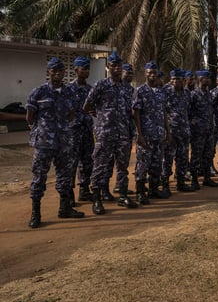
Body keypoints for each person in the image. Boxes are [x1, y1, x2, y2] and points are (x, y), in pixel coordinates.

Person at [26, 57, 85, 228]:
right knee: (39, 177)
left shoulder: (69, 92)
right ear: (49, 72)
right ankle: (36, 213)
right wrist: (39, 129)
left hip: (64, 142)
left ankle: (64, 208)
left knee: (65, 176)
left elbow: (72, 113)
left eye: (60, 71)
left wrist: (62, 128)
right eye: (54, 71)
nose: (58, 73)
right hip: (44, 143)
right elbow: (30, 116)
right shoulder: (39, 92)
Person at [83, 51, 137, 214]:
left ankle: (122, 195)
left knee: (122, 166)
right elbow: (87, 106)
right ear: (108, 67)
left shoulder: (128, 88)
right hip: (105, 134)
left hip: (123, 134)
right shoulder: (101, 85)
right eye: (113, 65)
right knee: (100, 166)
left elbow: (131, 111)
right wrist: (98, 115)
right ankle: (97, 200)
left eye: (119, 66)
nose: (117, 68)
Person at [133, 61, 170, 203]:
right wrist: (139, 135)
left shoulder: (161, 92)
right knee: (143, 163)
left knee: (156, 163)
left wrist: (168, 131)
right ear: (145, 74)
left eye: (154, 73)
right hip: (146, 135)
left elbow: (164, 113)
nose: (152, 75)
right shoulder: (140, 91)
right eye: (149, 73)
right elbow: (136, 113)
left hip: (159, 134)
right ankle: (140, 192)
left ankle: (154, 189)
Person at [68, 56, 95, 203]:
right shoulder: (68, 89)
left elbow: (95, 108)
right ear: (76, 70)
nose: (86, 71)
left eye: (88, 69)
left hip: (86, 130)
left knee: (87, 161)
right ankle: (68, 193)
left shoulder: (91, 89)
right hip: (73, 131)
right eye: (83, 69)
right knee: (71, 162)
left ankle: (84, 189)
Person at [163, 68, 194, 192]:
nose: (175, 82)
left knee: (182, 157)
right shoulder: (166, 91)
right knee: (168, 158)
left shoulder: (186, 93)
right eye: (173, 79)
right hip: (171, 131)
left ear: (183, 80)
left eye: (178, 79)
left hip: (184, 131)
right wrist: (166, 130)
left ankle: (181, 182)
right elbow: (162, 111)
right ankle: (165, 184)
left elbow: (188, 110)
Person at [188, 69, 217, 189]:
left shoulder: (209, 94)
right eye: (207, 78)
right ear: (200, 79)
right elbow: (188, 112)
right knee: (196, 155)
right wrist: (194, 125)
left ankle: (207, 178)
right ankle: (194, 180)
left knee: (208, 155)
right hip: (198, 131)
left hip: (209, 130)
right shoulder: (194, 94)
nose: (209, 80)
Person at [114, 62, 136, 194]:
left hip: (126, 131)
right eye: (127, 73)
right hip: (111, 131)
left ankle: (120, 185)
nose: (130, 76)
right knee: (108, 161)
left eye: (131, 74)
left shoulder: (131, 90)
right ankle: (103, 190)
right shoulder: (115, 87)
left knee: (123, 161)